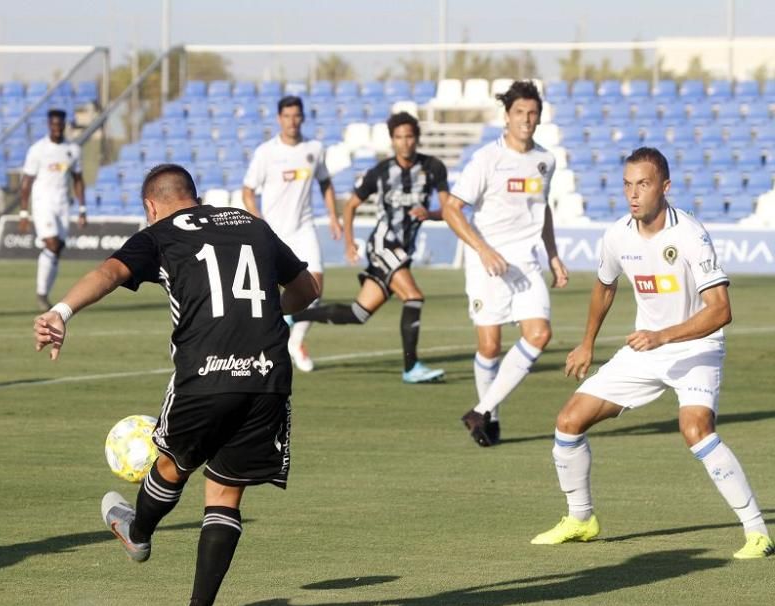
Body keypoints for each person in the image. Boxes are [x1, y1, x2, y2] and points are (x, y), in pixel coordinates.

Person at [32, 164, 319, 606]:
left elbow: (110, 271)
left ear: (150, 206)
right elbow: (308, 290)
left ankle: (138, 530)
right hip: (267, 373)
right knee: (225, 494)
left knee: (173, 462)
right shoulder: (250, 222)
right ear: (197, 196)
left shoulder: (161, 234)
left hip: (205, 373)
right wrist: (268, 309)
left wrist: (61, 311)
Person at [531, 147, 773, 560]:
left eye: (642, 184)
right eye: (627, 184)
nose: (633, 194)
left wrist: (663, 336)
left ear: (665, 187)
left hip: (696, 345)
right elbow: (605, 286)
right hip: (646, 348)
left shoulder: (690, 235)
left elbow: (721, 311)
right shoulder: (617, 235)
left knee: (695, 429)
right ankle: (581, 519)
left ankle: (756, 532)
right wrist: (587, 342)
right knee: (569, 422)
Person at [442, 80, 568, 446]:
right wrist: (482, 250)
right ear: (507, 116)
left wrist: (554, 255)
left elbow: (542, 211)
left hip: (526, 263)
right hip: (487, 264)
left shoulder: (545, 160)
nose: (527, 119)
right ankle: (489, 417)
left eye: (533, 113)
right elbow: (452, 209)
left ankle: (480, 410)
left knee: (540, 334)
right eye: (520, 113)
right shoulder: (487, 159)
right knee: (490, 347)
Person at [287, 111, 447, 384]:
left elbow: (448, 209)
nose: (404, 142)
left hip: (402, 253)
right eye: (398, 137)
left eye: (409, 136)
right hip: (383, 243)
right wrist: (349, 242)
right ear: (392, 140)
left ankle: (293, 315)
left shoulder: (433, 168)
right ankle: (411, 367)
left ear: (416, 138)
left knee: (358, 313)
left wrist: (430, 214)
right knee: (414, 297)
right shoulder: (381, 172)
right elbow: (350, 205)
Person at [242, 95, 342, 372]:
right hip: (274, 232)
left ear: (303, 118)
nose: (292, 121)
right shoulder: (266, 152)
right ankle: (271, 336)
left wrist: (334, 217)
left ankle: (295, 341)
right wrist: (257, 220)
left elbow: (325, 183)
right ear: (279, 119)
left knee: (315, 287)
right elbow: (248, 191)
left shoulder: (314, 148)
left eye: (297, 116)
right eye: (287, 116)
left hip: (304, 228)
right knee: (268, 292)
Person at [19, 109, 87, 312]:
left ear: (64, 125)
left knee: (57, 248)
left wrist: (82, 208)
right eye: (53, 125)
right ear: (49, 125)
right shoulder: (37, 150)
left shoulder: (73, 150)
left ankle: (45, 294)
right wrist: (24, 212)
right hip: (42, 203)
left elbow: (78, 179)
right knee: (51, 243)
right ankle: (41, 294)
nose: (56, 129)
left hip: (62, 203)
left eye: (60, 125)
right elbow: (26, 183)